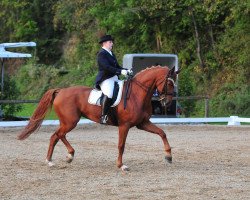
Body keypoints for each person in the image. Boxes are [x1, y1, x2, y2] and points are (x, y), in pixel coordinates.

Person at [95, 34, 132, 124]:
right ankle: (103, 116)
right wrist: (120, 72)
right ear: (104, 43)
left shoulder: (111, 53)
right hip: (105, 78)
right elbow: (107, 67)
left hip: (114, 78)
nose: (112, 44)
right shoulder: (101, 54)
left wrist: (126, 70)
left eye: (112, 42)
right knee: (109, 93)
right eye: (110, 42)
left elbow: (117, 66)